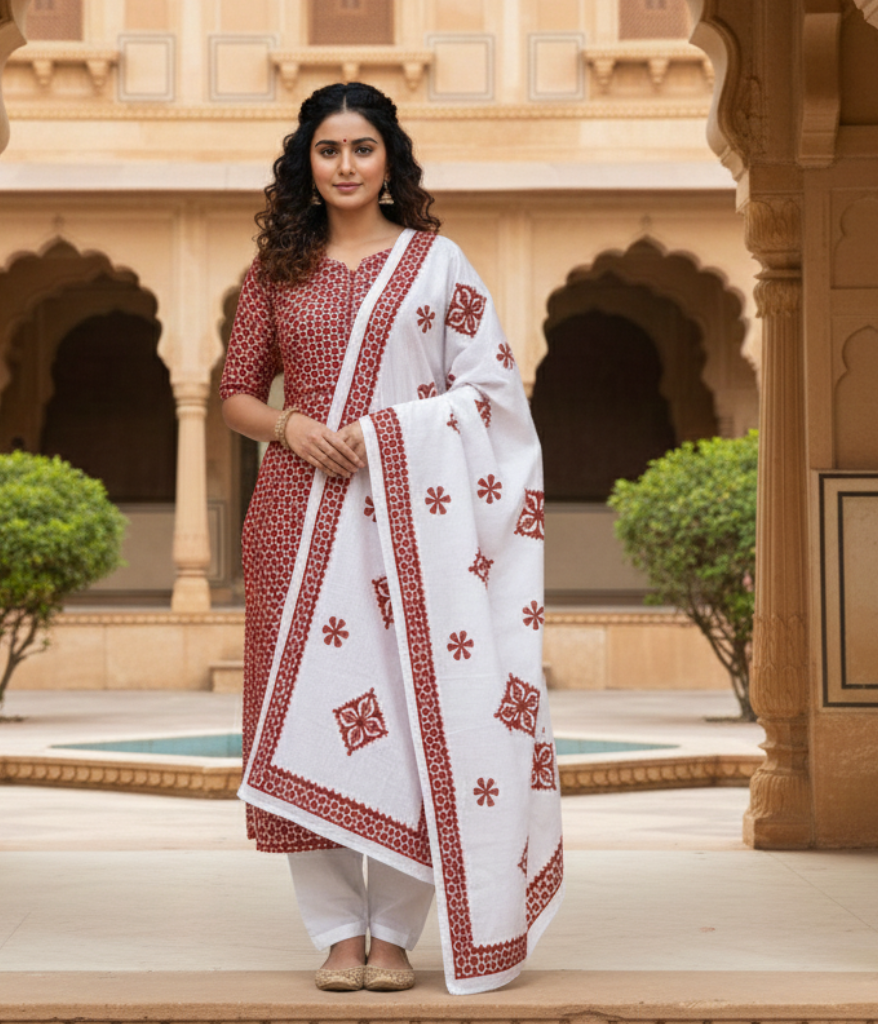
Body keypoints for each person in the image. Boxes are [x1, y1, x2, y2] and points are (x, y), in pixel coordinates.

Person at [220, 82, 563, 997]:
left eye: (361, 148)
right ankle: (337, 932)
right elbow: (236, 393)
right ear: (307, 161)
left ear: (388, 160)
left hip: (418, 521)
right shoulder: (275, 273)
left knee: (419, 714)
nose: (343, 165)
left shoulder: (438, 264)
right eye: (327, 149)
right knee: (309, 715)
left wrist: (386, 433)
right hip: (296, 519)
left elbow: (489, 395)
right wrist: (291, 429)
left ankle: (398, 934)